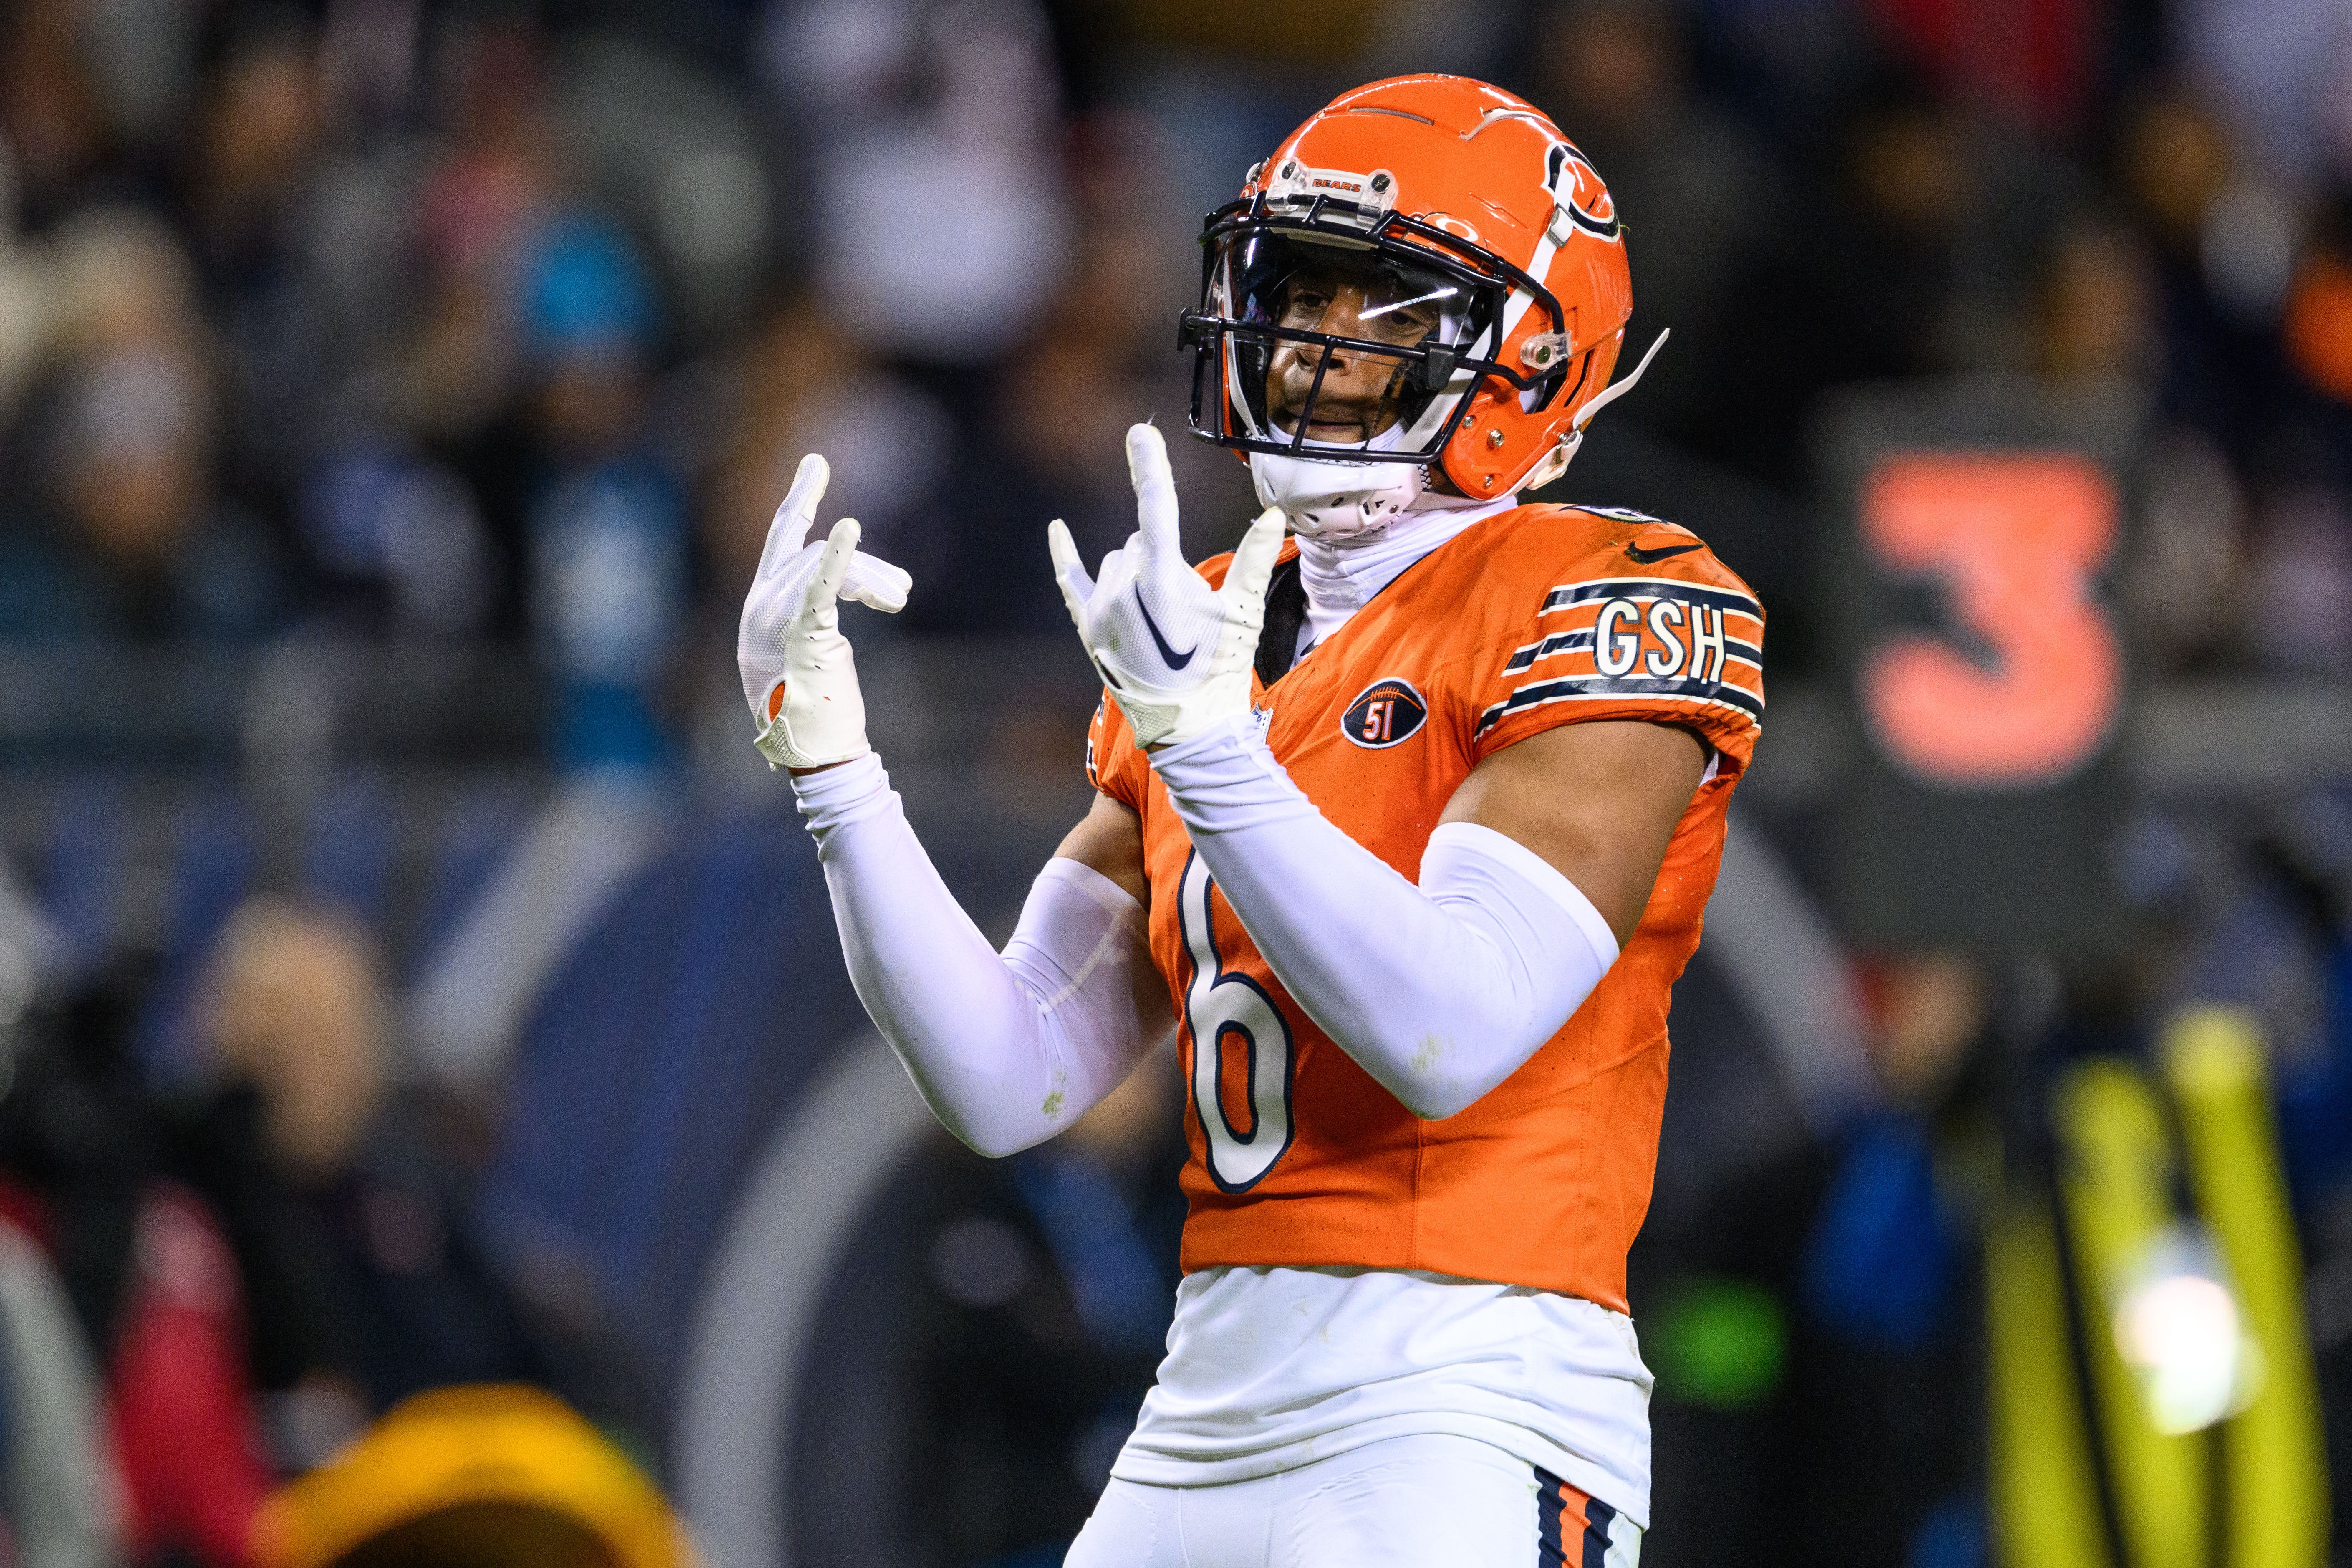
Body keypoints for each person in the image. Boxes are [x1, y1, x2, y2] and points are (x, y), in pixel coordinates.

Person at [737, 76, 1766, 1564]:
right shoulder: (1216, 624)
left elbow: (1448, 1028)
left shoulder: (1601, 592)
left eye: (1383, 303)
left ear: (1531, 354)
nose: (1313, 343)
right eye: (1300, 291)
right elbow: (1005, 1075)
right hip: (1205, 1395)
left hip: (1466, 1394)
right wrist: (832, 769)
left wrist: (1209, 751)